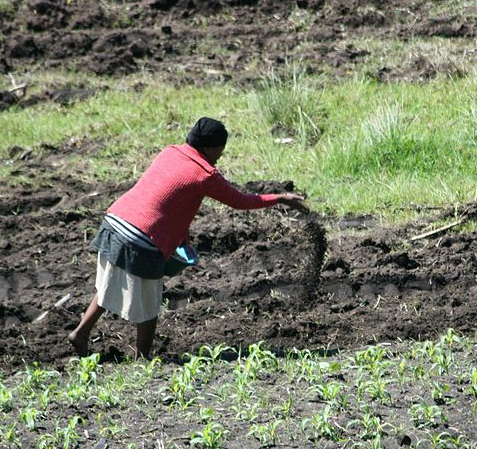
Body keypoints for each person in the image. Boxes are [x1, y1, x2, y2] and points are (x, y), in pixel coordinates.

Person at [68, 117, 308, 359]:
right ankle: (142, 358)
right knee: (151, 303)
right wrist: (279, 198)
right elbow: (239, 201)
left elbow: (169, 201)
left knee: (109, 283)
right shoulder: (204, 173)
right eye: (220, 151)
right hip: (138, 238)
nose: (220, 156)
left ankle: (81, 333)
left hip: (114, 222)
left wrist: (180, 237)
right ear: (209, 148)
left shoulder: (170, 152)